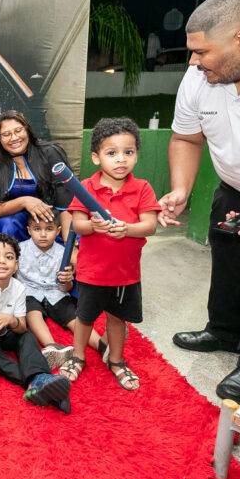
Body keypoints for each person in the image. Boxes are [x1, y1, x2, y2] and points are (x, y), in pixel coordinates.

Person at [157, 0, 240, 403]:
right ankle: (224, 331)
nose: (192, 61)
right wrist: (180, 189)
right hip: (236, 191)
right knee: (229, 265)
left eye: (202, 52)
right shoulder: (201, 78)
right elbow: (186, 138)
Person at [59, 118, 160, 391]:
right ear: (96, 157)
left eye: (128, 152)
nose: (121, 160)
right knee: (85, 318)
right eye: (111, 153)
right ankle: (78, 357)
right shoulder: (86, 188)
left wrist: (127, 229)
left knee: (117, 320)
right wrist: (92, 225)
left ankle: (116, 360)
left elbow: (149, 226)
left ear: (137, 154)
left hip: (126, 275)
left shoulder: (142, 188)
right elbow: (76, 224)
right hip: (92, 271)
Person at [0, 232, 71, 414]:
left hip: (7, 328)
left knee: (27, 338)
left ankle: (41, 378)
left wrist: (10, 319)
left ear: (16, 265)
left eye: (9, 257)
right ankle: (36, 383)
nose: (2, 261)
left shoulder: (19, 288)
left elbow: (22, 326)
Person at [0, 110, 74, 245]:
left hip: (53, 220)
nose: (14, 138)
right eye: (6, 134)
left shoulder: (50, 152)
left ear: (27, 130)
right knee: (6, 224)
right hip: (16, 224)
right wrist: (24, 201)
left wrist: (70, 247)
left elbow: (66, 204)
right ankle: (10, 263)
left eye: (18, 130)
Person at [16, 209, 76, 369]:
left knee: (73, 318)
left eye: (49, 229)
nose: (43, 234)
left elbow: (66, 288)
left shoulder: (64, 254)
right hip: (29, 293)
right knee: (31, 312)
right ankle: (52, 346)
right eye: (37, 229)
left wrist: (67, 281)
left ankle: (102, 345)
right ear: (29, 230)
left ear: (57, 231)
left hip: (57, 292)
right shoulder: (19, 250)